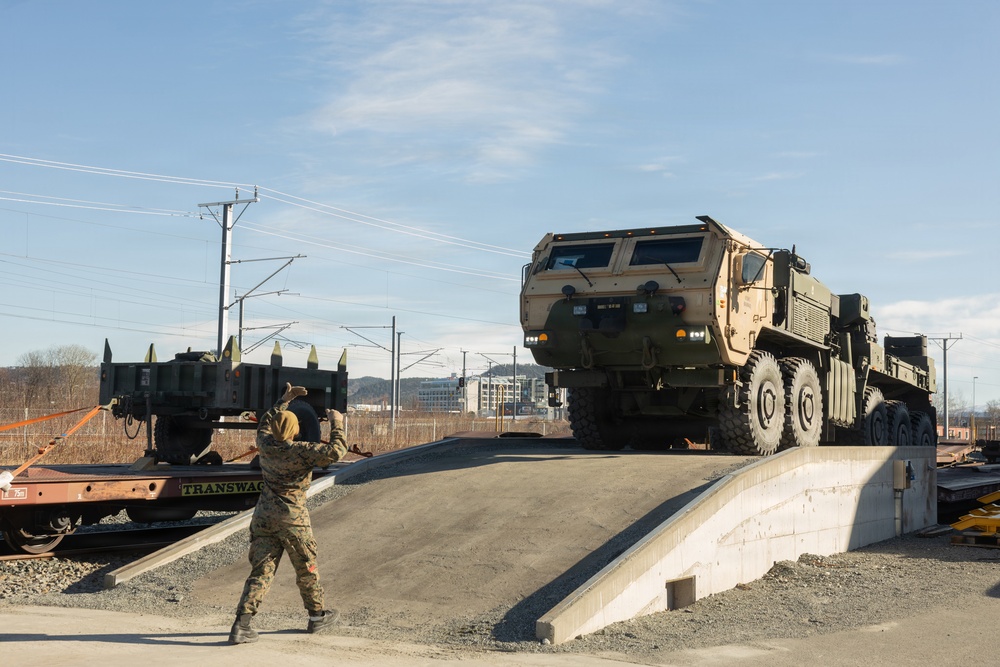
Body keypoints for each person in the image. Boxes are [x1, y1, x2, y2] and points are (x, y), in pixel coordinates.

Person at [229, 382, 349, 645]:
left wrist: (284, 399)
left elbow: (264, 423)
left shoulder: (265, 445)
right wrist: (336, 422)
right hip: (293, 520)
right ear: (296, 431)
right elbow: (337, 451)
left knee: (261, 572)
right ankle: (317, 617)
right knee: (306, 569)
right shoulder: (302, 452)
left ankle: (242, 624)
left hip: (263, 518)